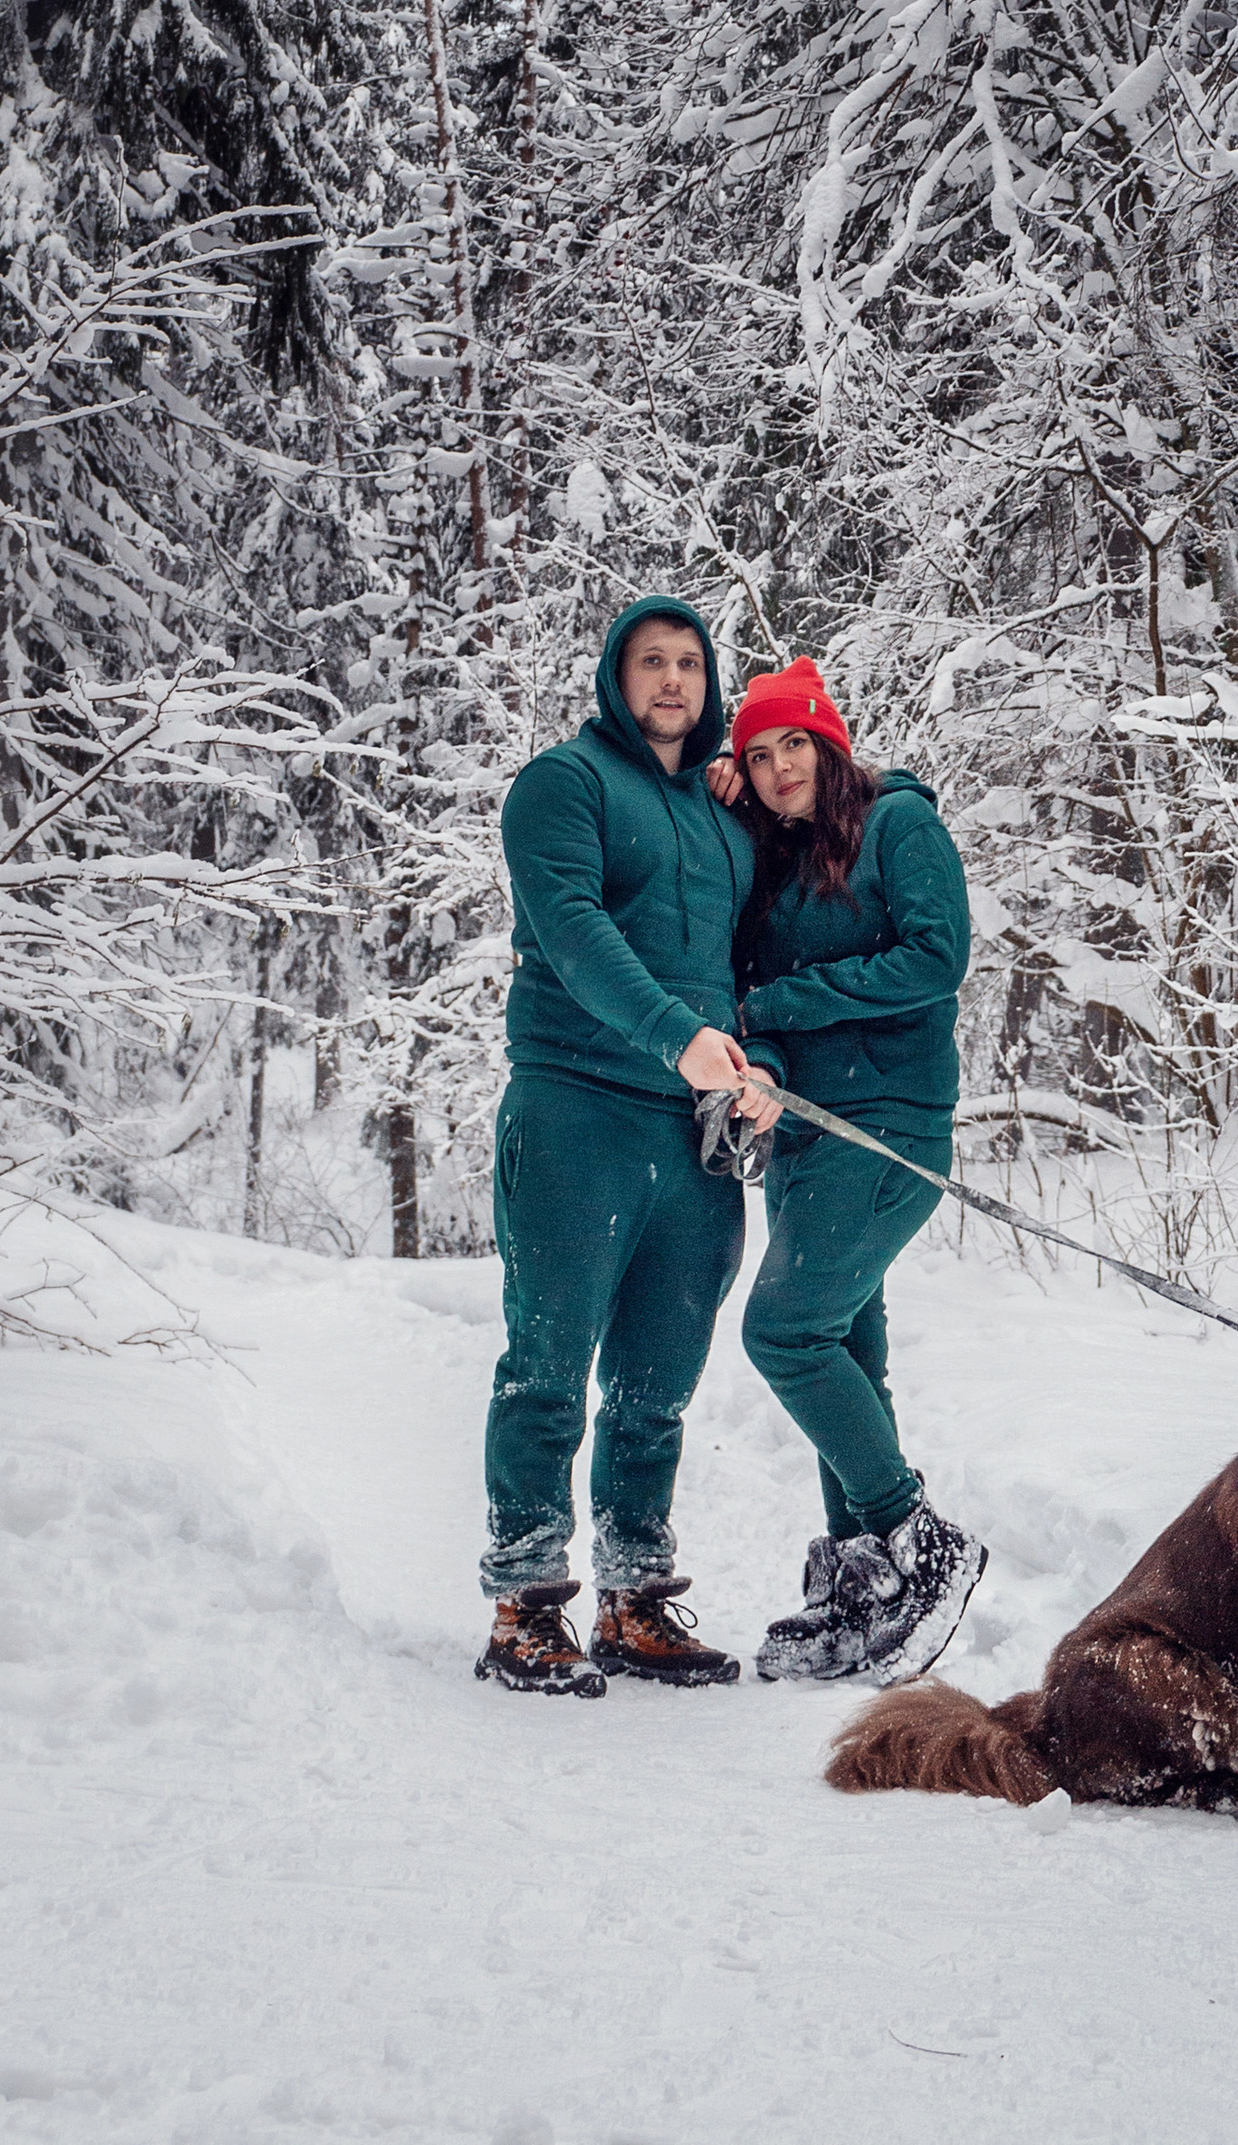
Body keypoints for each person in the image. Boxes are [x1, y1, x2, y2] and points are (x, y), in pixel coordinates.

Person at [477, 597, 767, 1699]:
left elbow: (760, 949)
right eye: (650, 661)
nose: (671, 680)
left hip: (691, 1133)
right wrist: (676, 1037)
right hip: (574, 1109)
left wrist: (755, 1064)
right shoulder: (563, 786)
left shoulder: (725, 814)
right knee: (546, 1369)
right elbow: (575, 931)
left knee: (657, 1382)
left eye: (689, 663)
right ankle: (523, 1607)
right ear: (614, 675)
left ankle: (634, 1600)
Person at [709, 658, 987, 1687]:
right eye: (759, 754)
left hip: (886, 1126)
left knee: (782, 1330)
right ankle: (862, 1583)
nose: (780, 768)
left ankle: (918, 1537)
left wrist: (784, 1008)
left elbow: (934, 956)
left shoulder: (897, 825)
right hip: (804, 1134)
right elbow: (743, 988)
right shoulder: (774, 857)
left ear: (828, 742)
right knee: (845, 1355)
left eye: (794, 745)